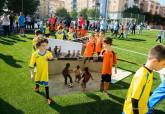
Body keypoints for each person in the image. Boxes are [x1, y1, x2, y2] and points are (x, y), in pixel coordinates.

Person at [122, 45, 165, 114]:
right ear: (155, 61)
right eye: (163, 64)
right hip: (131, 112)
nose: (164, 67)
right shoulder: (142, 75)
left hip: (142, 109)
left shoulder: (149, 72)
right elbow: (134, 99)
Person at [29, 39, 55, 105]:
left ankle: (48, 98)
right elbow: (31, 65)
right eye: (43, 45)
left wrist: (50, 58)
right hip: (38, 71)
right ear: (38, 46)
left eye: (46, 45)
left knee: (47, 85)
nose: (45, 47)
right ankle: (37, 87)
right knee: (37, 80)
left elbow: (51, 57)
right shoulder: (34, 54)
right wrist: (32, 74)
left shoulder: (48, 53)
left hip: (46, 72)